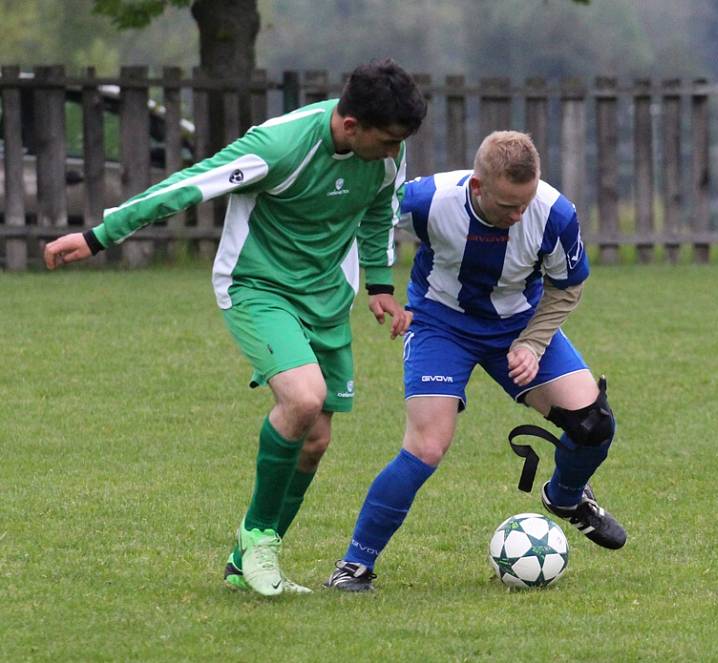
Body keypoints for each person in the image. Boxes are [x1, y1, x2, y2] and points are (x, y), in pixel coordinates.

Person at [43, 58, 427, 598]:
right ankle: (261, 540)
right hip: (258, 286)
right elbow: (189, 186)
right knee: (303, 399)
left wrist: (381, 283)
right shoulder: (279, 146)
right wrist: (100, 235)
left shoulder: (387, 148)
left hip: (326, 298)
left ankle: (241, 562)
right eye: (386, 141)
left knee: (315, 440)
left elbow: (378, 206)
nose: (394, 152)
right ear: (349, 126)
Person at [324, 130, 627, 592]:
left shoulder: (555, 214)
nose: (519, 214)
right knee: (426, 445)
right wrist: (380, 286)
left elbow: (568, 287)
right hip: (440, 325)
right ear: (478, 187)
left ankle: (565, 498)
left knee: (594, 425)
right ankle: (355, 566)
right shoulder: (429, 200)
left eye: (525, 202)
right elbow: (369, 213)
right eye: (508, 206)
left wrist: (532, 343)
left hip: (518, 327)